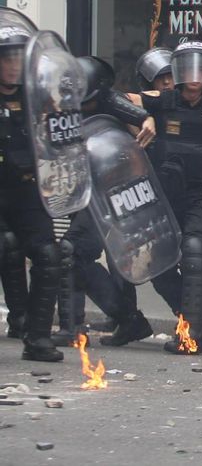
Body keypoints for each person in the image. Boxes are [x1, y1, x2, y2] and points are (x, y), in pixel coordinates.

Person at [51, 56, 156, 347]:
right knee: (76, 255)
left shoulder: (109, 100)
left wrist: (146, 120)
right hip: (81, 191)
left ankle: (125, 319)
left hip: (113, 192)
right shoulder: (62, 104)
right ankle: (79, 325)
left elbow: (138, 115)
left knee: (74, 251)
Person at [140, 40, 202, 354]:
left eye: (200, 66)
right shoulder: (164, 100)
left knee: (195, 248)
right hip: (164, 193)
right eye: (188, 66)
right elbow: (119, 98)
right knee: (156, 263)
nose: (194, 74)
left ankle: (192, 334)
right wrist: (141, 117)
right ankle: (196, 320)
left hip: (200, 192)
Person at [0, 9, 66, 361]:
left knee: (48, 254)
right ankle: (20, 317)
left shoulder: (37, 97)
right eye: (6, 57)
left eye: (17, 57)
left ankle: (38, 336)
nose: (12, 65)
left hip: (28, 190)